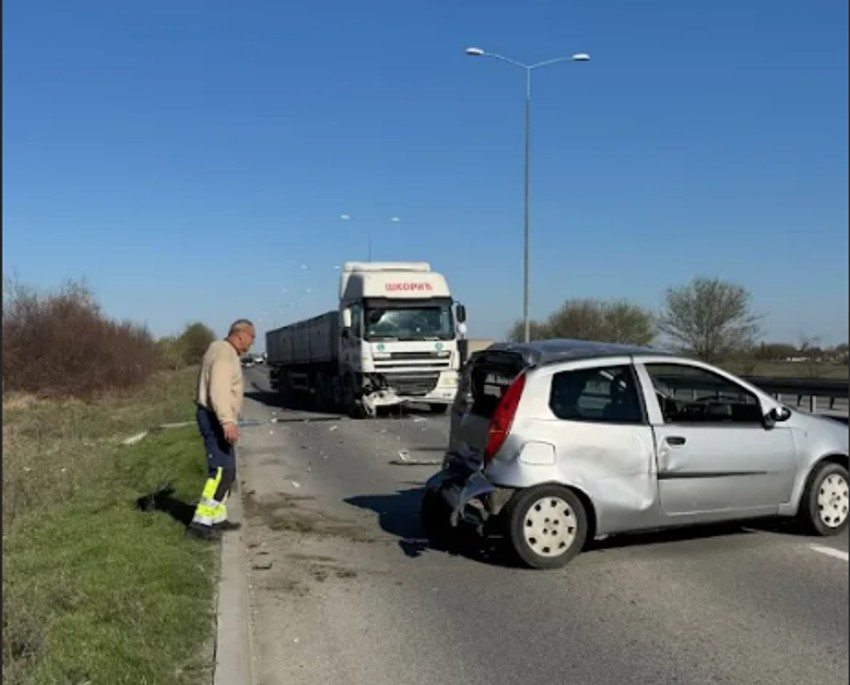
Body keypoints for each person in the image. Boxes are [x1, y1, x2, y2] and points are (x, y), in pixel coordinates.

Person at [187, 319, 256, 541]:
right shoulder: (225, 354)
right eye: (252, 337)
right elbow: (218, 389)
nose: (252, 342)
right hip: (215, 418)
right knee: (219, 472)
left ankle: (217, 517)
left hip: (216, 417)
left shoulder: (220, 349)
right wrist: (227, 421)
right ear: (241, 334)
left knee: (229, 471)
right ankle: (200, 522)